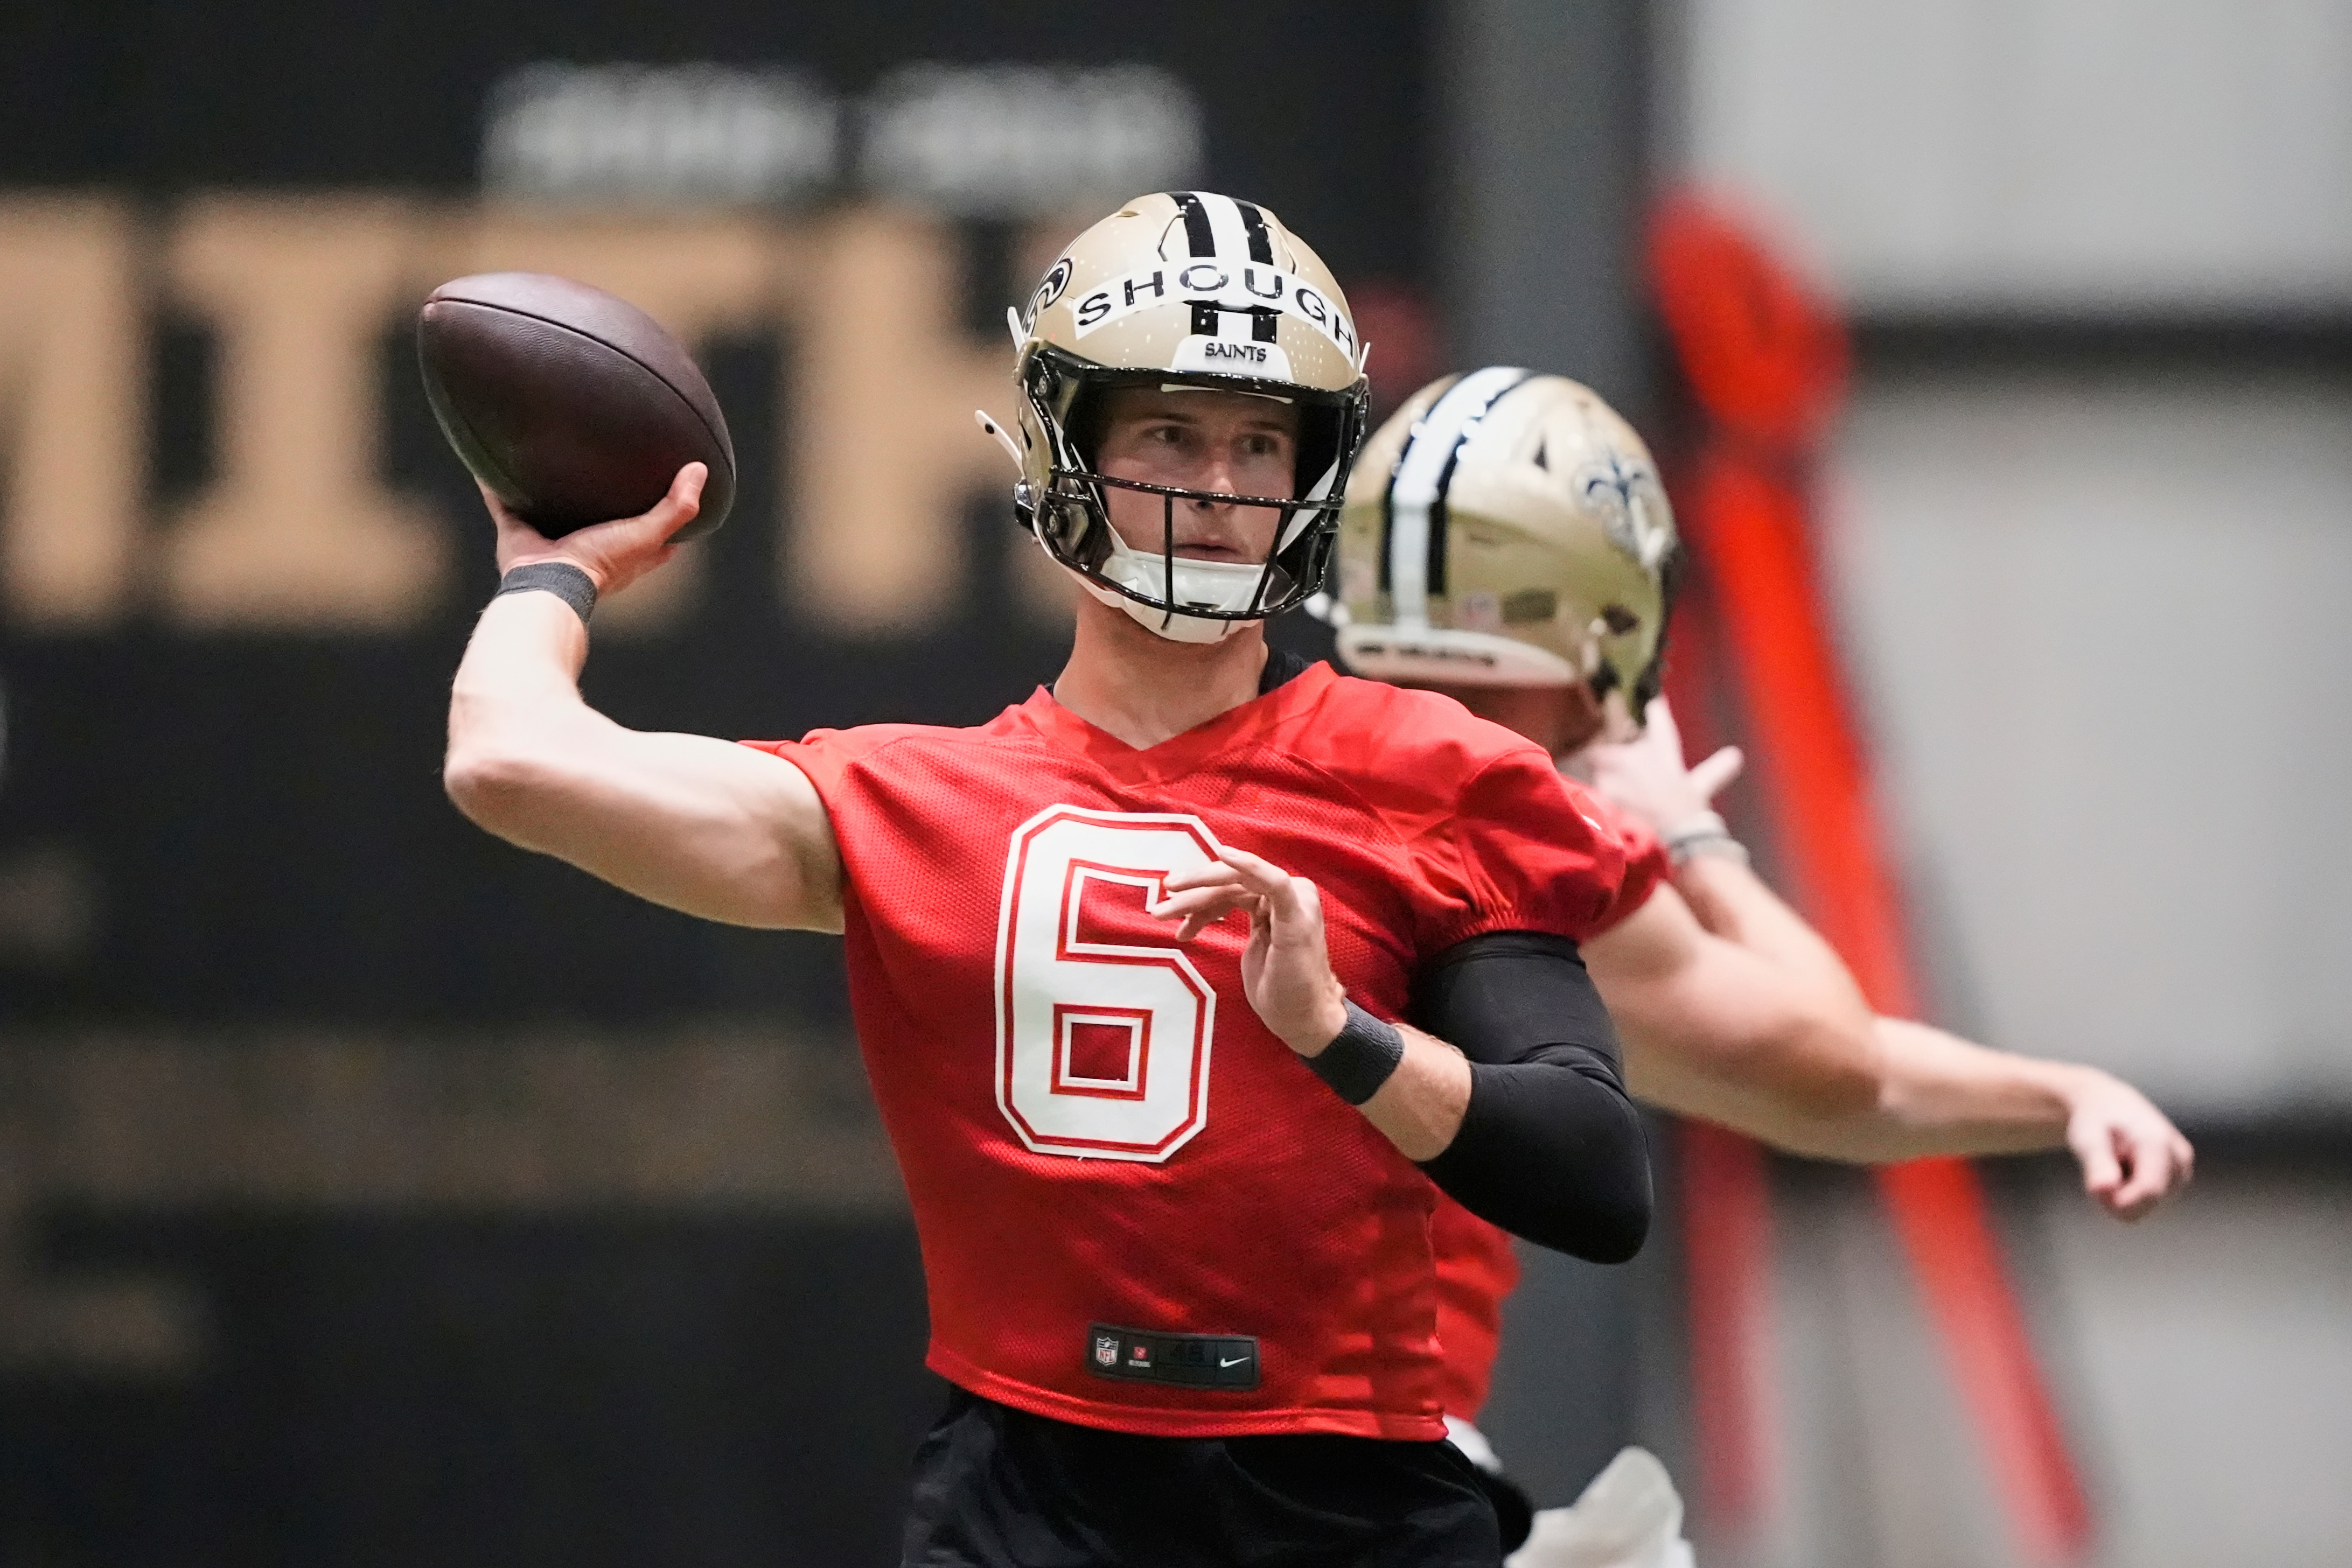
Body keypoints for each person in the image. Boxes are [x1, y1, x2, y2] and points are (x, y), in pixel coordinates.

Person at [444, 196, 1662, 1566]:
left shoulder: (1423, 772)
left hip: (1347, 1504)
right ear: (1060, 443)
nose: (1216, 484)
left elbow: (1595, 1176)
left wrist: (1341, 1035)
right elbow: (507, 762)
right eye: (1168, 431)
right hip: (1028, 1502)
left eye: (1261, 441)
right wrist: (549, 573)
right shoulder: (913, 802)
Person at [1322, 369, 2195, 1553]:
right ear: (1607, 618)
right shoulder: (1506, 841)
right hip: (1337, 1482)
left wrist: (2064, 1094)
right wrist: (1692, 838)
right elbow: (1836, 1069)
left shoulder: (1268, 764)